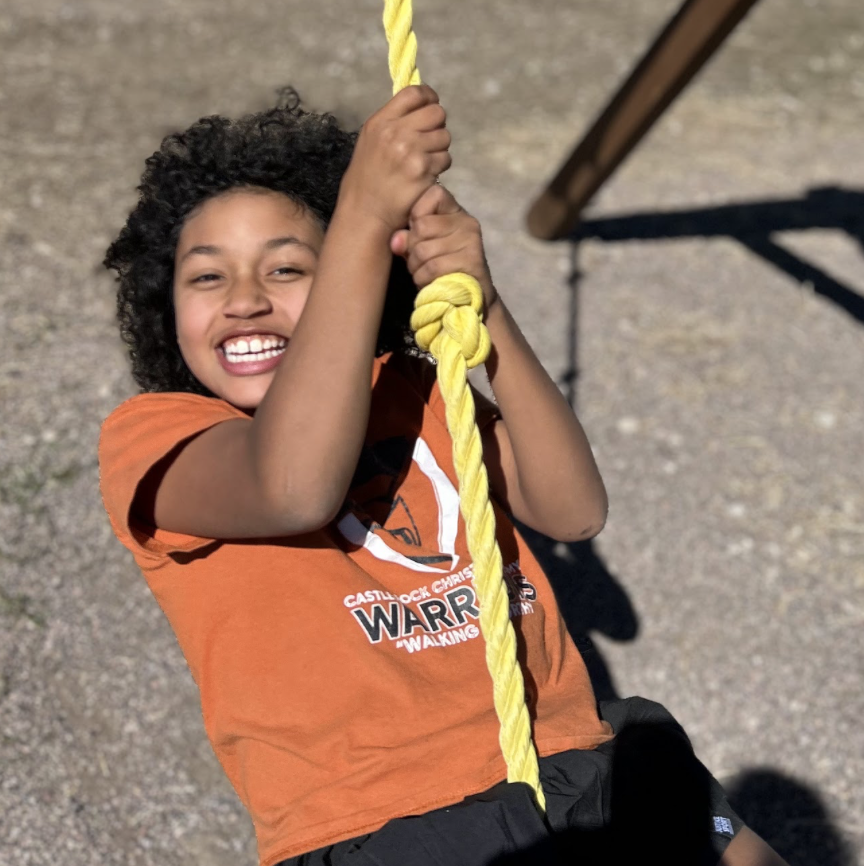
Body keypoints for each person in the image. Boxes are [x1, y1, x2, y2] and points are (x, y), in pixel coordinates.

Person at [99, 85, 787, 866]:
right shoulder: (158, 439)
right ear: (163, 304)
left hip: (568, 758)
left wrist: (482, 304)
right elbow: (292, 486)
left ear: (359, 286)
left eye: (288, 269)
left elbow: (572, 510)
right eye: (207, 278)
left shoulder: (416, 394)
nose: (247, 301)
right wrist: (360, 212)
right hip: (384, 825)